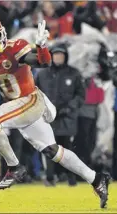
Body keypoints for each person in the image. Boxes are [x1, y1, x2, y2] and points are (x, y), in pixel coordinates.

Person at [0, 15, 110, 208]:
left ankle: (14, 167)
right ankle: (96, 178)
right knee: (52, 150)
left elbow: (42, 63)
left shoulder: (14, 47)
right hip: (18, 106)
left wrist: (42, 47)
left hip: (29, 100)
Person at [36, 43, 85, 186]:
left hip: (67, 119)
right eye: (55, 54)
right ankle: (50, 177)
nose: (58, 57)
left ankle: (71, 177)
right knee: (49, 148)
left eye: (61, 55)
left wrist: (70, 108)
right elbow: (34, 93)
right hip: (48, 119)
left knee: (68, 148)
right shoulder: (43, 74)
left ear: (66, 57)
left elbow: (81, 95)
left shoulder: (74, 74)